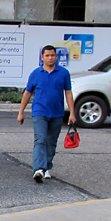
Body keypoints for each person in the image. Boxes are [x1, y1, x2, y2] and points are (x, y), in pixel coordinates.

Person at [17, 45, 76, 183]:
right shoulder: (36, 73)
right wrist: (21, 112)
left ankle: (46, 167)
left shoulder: (63, 73)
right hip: (39, 111)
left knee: (51, 142)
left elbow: (68, 93)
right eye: (47, 55)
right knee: (40, 139)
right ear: (42, 57)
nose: (50, 58)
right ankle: (38, 169)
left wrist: (72, 113)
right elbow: (27, 93)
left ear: (56, 57)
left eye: (53, 55)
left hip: (57, 112)